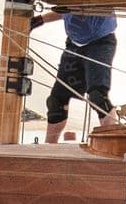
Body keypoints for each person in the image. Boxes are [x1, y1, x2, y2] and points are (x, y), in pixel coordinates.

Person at [31, 8, 118, 142]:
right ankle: (49, 148)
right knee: (56, 102)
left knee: (98, 97)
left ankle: (112, 144)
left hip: (100, 42)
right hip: (74, 43)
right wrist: (41, 19)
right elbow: (66, 9)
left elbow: (81, 5)